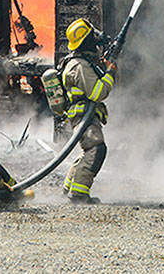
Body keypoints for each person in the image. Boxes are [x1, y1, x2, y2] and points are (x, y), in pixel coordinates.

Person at [60, 17, 115, 203]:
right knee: (97, 149)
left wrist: (107, 65)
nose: (96, 37)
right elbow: (98, 92)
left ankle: (69, 187)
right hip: (84, 115)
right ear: (86, 40)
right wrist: (111, 73)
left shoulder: (83, 62)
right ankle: (79, 195)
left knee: (88, 150)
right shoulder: (80, 66)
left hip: (85, 115)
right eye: (92, 35)